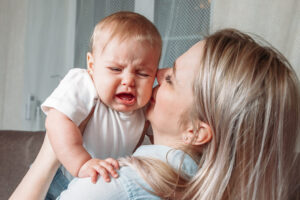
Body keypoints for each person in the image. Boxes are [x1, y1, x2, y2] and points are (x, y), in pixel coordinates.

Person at [10, 29, 300, 200]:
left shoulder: (111, 184)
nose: (158, 73)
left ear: (196, 131)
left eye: (172, 78)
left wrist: (51, 152)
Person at [40, 11, 162, 199]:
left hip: (104, 183)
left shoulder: (145, 106)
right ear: (92, 65)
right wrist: (82, 163)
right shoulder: (84, 84)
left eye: (143, 74)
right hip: (62, 177)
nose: (128, 81)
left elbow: (162, 142)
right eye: (115, 69)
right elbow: (57, 120)